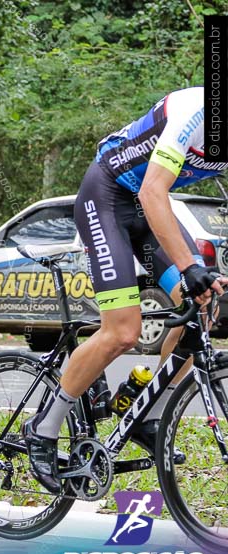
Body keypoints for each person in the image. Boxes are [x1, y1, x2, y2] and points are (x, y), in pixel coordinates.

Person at [22, 86, 228, 493]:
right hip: (109, 199)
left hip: (146, 210)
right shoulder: (196, 110)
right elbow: (153, 191)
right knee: (123, 331)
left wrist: (198, 275)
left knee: (198, 311)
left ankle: (147, 414)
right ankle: (42, 427)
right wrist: (189, 266)